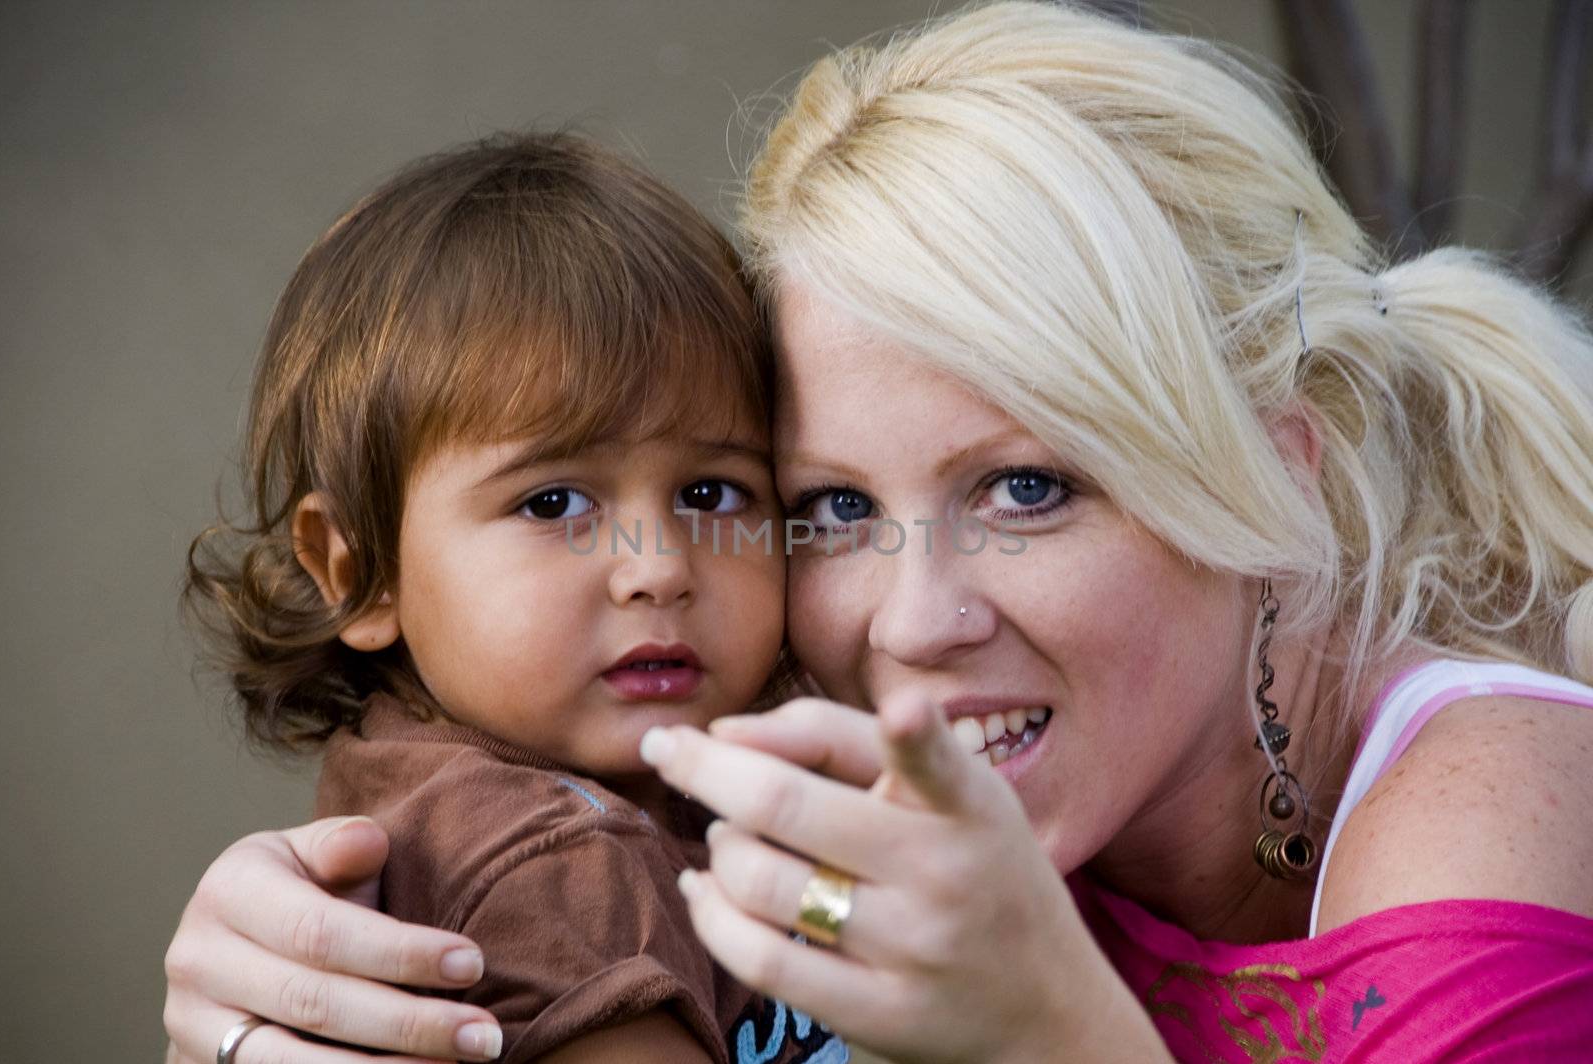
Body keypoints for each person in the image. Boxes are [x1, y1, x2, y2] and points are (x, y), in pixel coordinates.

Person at [164, 3, 1593, 1061]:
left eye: (1028, 488)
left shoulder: (1492, 823)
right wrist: (278, 959)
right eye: (834, 508)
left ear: (1279, 479)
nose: (910, 625)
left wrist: (1056, 1037)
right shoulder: (802, 746)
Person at [177, 131, 850, 1064]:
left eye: (710, 493)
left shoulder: (661, 779)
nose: (657, 566)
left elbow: (819, 915)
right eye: (553, 503)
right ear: (358, 570)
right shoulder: (557, 864)